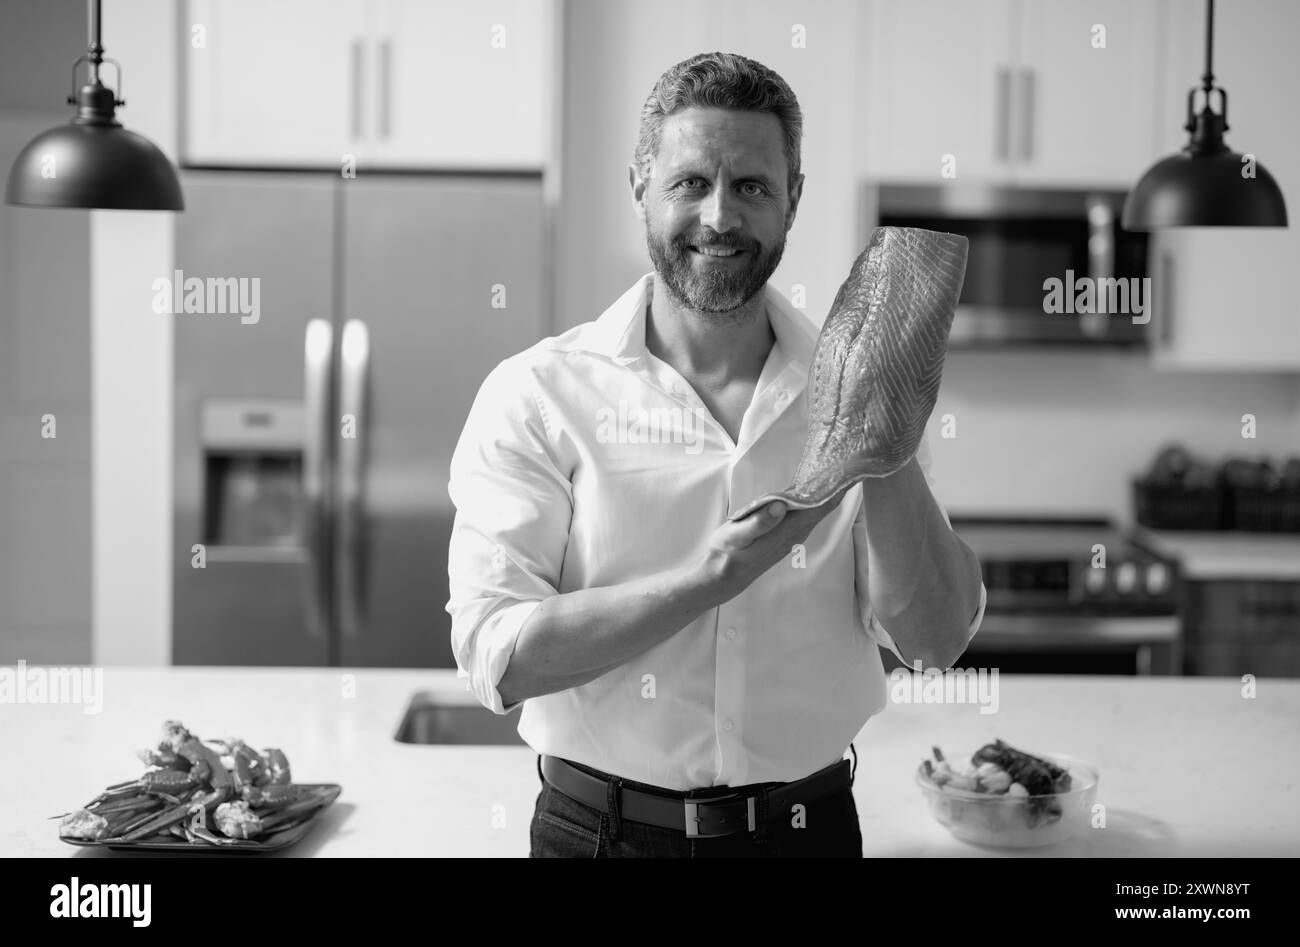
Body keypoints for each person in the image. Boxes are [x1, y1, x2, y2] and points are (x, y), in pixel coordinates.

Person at [446, 51, 986, 858]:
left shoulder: (858, 387)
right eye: (691, 182)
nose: (722, 217)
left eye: (753, 186)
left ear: (792, 198)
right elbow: (500, 654)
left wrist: (887, 427)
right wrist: (708, 580)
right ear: (640, 187)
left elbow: (934, 638)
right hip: (599, 838)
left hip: (807, 835)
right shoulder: (539, 394)